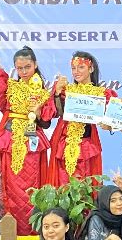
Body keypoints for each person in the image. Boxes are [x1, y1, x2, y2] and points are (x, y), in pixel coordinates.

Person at [0, 48, 55, 236]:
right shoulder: (10, 87)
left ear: (35, 65)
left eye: (27, 67)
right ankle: (8, 230)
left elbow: (45, 123)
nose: (24, 71)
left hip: (31, 142)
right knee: (8, 185)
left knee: (32, 186)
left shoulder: (44, 93)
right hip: (9, 141)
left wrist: (38, 112)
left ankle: (32, 230)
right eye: (19, 68)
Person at [49, 51, 117, 185]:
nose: (76, 72)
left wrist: (109, 125)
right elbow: (58, 112)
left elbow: (114, 120)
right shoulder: (66, 90)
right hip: (65, 144)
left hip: (87, 145)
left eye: (81, 67)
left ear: (91, 69)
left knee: (86, 185)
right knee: (63, 185)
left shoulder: (101, 94)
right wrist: (57, 93)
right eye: (73, 68)